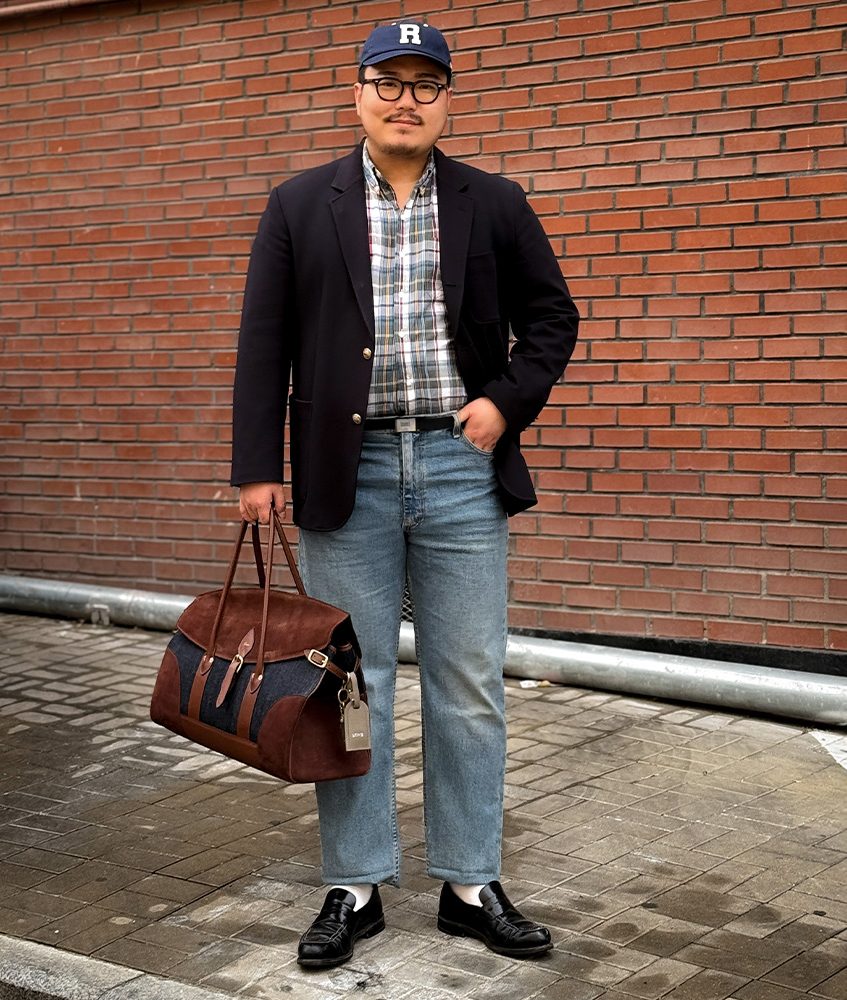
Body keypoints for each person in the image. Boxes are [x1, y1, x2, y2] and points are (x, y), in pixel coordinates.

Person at [231, 20, 579, 969]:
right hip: (347, 472)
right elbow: (264, 341)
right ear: (358, 92)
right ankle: (355, 883)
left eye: (427, 84)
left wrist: (504, 403)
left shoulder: (493, 201)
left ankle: (470, 884)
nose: (406, 100)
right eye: (389, 81)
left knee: (468, 683)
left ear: (446, 101)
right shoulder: (300, 204)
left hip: (462, 467)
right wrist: (257, 467)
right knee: (353, 683)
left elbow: (553, 317)